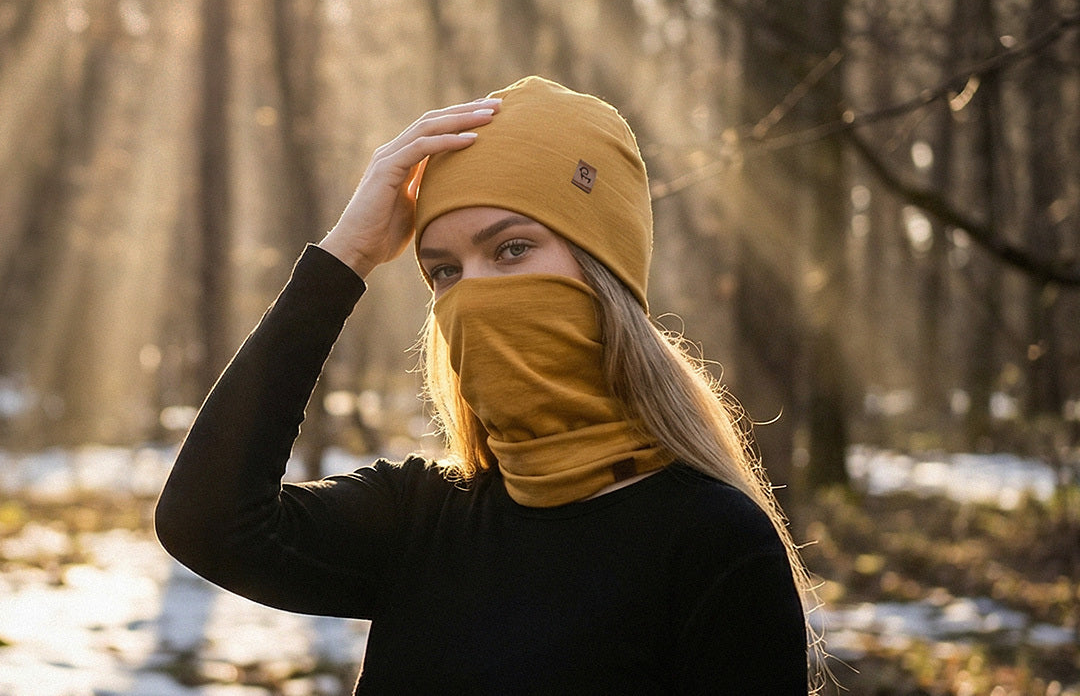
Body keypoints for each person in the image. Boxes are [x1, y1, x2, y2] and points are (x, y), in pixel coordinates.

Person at [156, 76, 814, 694]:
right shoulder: (422, 516)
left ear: (601, 271)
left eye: (512, 249)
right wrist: (346, 256)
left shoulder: (715, 545)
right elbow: (208, 522)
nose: (472, 295)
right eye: (444, 270)